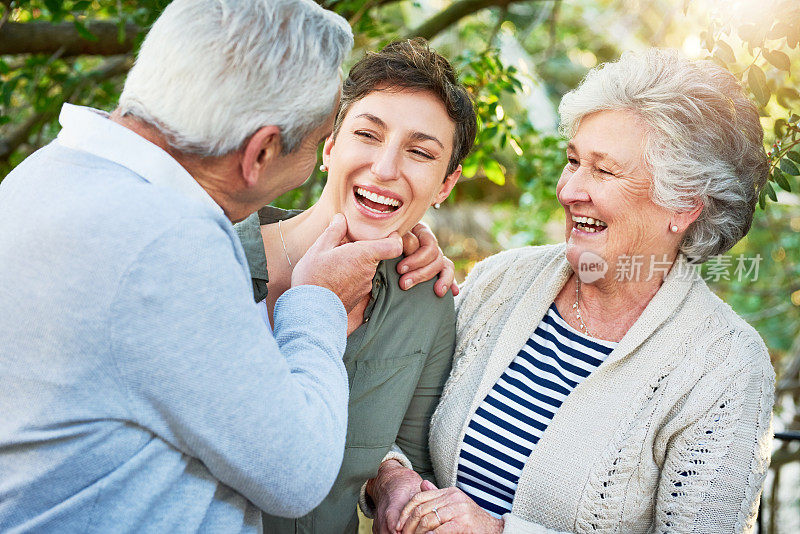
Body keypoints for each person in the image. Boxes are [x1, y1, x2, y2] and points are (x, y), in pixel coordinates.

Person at [0, 1, 451, 532]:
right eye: (326, 137)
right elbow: (296, 475)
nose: (382, 165)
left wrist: (389, 470)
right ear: (260, 152)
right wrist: (317, 302)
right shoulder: (169, 243)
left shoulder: (44, 176)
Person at [373, 49, 776, 533]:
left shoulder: (727, 366)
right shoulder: (500, 281)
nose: (568, 190)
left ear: (684, 203)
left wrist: (498, 531)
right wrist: (392, 480)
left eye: (603, 171)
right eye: (573, 161)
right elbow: (387, 419)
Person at [232, 38, 477, 533]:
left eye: (419, 152)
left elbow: (412, 457)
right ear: (329, 147)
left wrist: (391, 478)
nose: (385, 169)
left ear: (445, 186)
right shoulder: (214, 264)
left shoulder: (424, 304)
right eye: (368, 134)